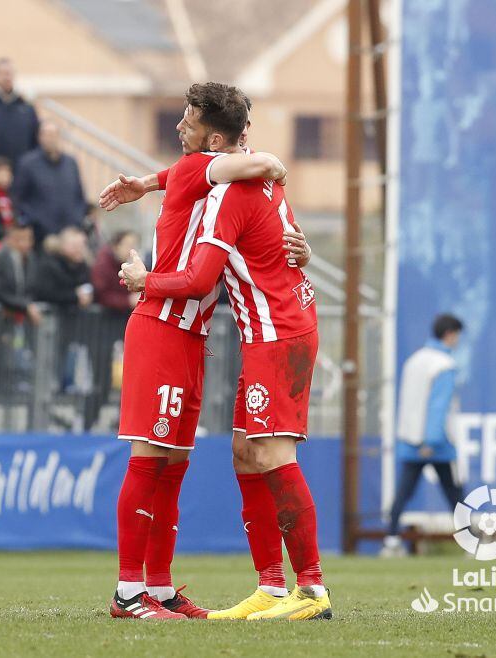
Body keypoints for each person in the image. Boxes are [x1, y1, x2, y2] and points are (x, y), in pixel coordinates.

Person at [116, 87, 323, 621]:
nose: (177, 128)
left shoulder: (230, 185)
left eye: (186, 121)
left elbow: (202, 275)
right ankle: (138, 591)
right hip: (170, 331)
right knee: (196, 456)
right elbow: (238, 173)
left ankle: (306, 589)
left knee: (191, 462)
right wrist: (144, 183)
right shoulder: (234, 177)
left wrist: (144, 277)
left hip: (250, 332)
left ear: (213, 142)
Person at [382, 314, 465, 557]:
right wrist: (432, 440)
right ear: (450, 334)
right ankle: (470, 540)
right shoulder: (444, 365)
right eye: (457, 335)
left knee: (403, 492)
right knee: (454, 493)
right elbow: (438, 405)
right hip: (437, 442)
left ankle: (391, 539)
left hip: (410, 439)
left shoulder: (414, 361)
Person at [12, 121, 87, 244]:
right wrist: (36, 222)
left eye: (53, 134)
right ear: (39, 137)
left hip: (70, 234)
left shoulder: (71, 163)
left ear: (59, 137)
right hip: (41, 236)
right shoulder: (28, 164)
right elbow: (18, 198)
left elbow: (79, 195)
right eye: (45, 134)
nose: (49, 139)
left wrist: (77, 221)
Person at [0, 222, 40, 322]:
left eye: (29, 239)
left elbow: (34, 288)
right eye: (21, 239)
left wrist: (25, 304)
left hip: (21, 320)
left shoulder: (32, 260)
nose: (26, 243)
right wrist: (22, 305)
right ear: (10, 239)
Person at [92, 231, 140, 312]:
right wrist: (128, 301)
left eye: (134, 246)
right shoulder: (103, 264)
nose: (131, 250)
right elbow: (102, 296)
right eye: (128, 245)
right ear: (116, 246)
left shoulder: (123, 263)